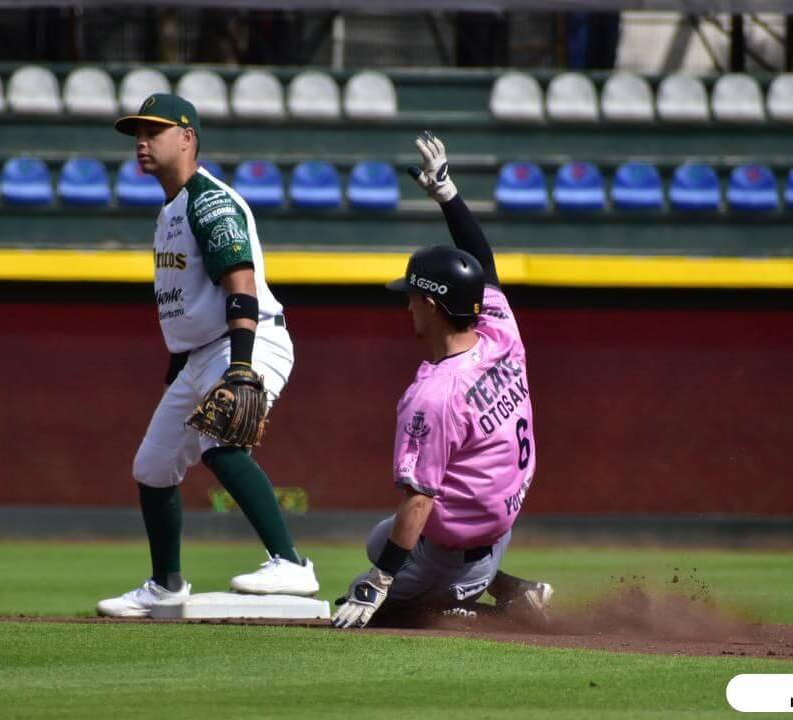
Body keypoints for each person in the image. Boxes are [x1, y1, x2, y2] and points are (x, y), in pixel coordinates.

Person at [97, 93, 318, 617]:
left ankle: (290, 563)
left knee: (221, 440)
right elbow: (189, 304)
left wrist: (241, 366)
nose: (142, 143)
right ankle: (166, 585)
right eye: (137, 134)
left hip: (248, 337)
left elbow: (240, 283)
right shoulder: (171, 208)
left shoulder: (208, 200)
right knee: (152, 467)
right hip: (200, 353)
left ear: (187, 137)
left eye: (154, 132)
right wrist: (181, 370)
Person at [332, 131, 552, 629]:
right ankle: (509, 585)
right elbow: (484, 265)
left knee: (371, 602)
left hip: (457, 555)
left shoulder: (434, 394)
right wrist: (447, 194)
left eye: (410, 295)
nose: (406, 302)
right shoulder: (499, 332)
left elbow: (420, 498)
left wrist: (377, 584)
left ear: (430, 305)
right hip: (499, 528)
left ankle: (472, 606)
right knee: (377, 539)